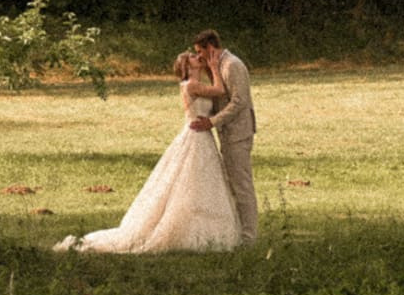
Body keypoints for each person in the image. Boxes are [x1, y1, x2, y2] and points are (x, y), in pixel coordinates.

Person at [54, 47, 242, 254]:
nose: (198, 57)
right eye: (193, 57)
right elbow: (220, 91)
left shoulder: (197, 84)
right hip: (196, 135)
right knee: (191, 179)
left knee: (201, 180)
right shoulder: (191, 85)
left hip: (202, 135)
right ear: (186, 67)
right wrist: (215, 67)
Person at [185, 28, 257, 247]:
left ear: (211, 48)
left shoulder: (233, 65)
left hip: (238, 133)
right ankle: (237, 232)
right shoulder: (217, 67)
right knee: (232, 184)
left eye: (200, 52)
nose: (198, 57)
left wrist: (212, 122)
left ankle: (249, 238)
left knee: (242, 185)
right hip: (226, 133)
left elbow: (239, 102)